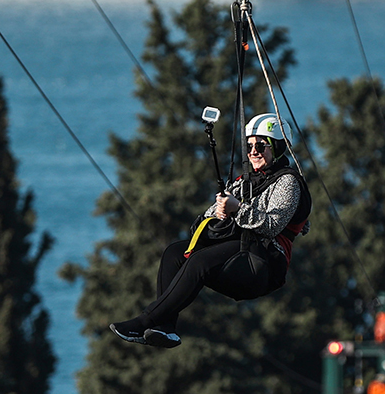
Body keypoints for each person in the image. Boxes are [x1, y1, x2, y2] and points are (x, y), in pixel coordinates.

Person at [110, 113, 311, 348]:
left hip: (261, 263)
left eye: (261, 145)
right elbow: (205, 217)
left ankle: (146, 320)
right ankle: (164, 328)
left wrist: (238, 209)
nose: (253, 151)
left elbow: (270, 226)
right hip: (239, 252)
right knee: (175, 253)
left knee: (199, 261)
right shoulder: (245, 182)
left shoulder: (288, 183)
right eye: (249, 146)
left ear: (277, 147)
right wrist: (221, 212)